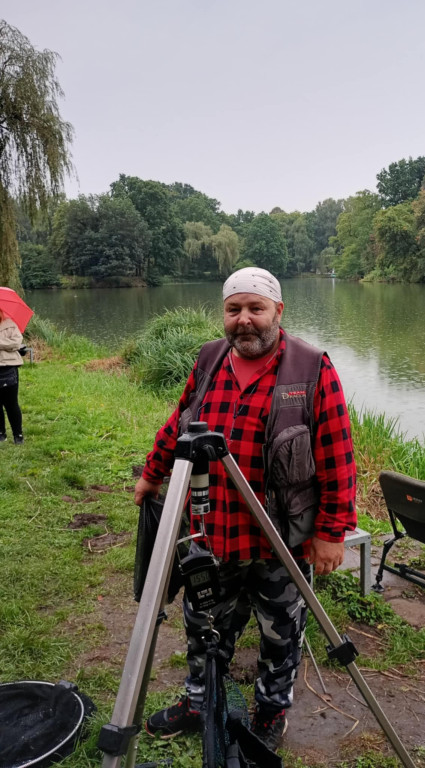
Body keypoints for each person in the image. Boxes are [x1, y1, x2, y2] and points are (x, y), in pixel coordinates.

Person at [134, 267, 357, 752]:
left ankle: (271, 711)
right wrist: (152, 472)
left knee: (280, 635)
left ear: (278, 311)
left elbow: (338, 457)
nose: (244, 320)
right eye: (234, 309)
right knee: (203, 621)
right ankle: (199, 699)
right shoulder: (210, 359)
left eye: (256, 308)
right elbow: (181, 422)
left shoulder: (312, 368)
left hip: (280, 541)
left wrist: (332, 531)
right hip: (212, 532)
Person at [0, 308, 24, 444]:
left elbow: (16, 343)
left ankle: (18, 435)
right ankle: (1, 433)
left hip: (8, 367)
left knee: (11, 404)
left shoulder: (10, 324)